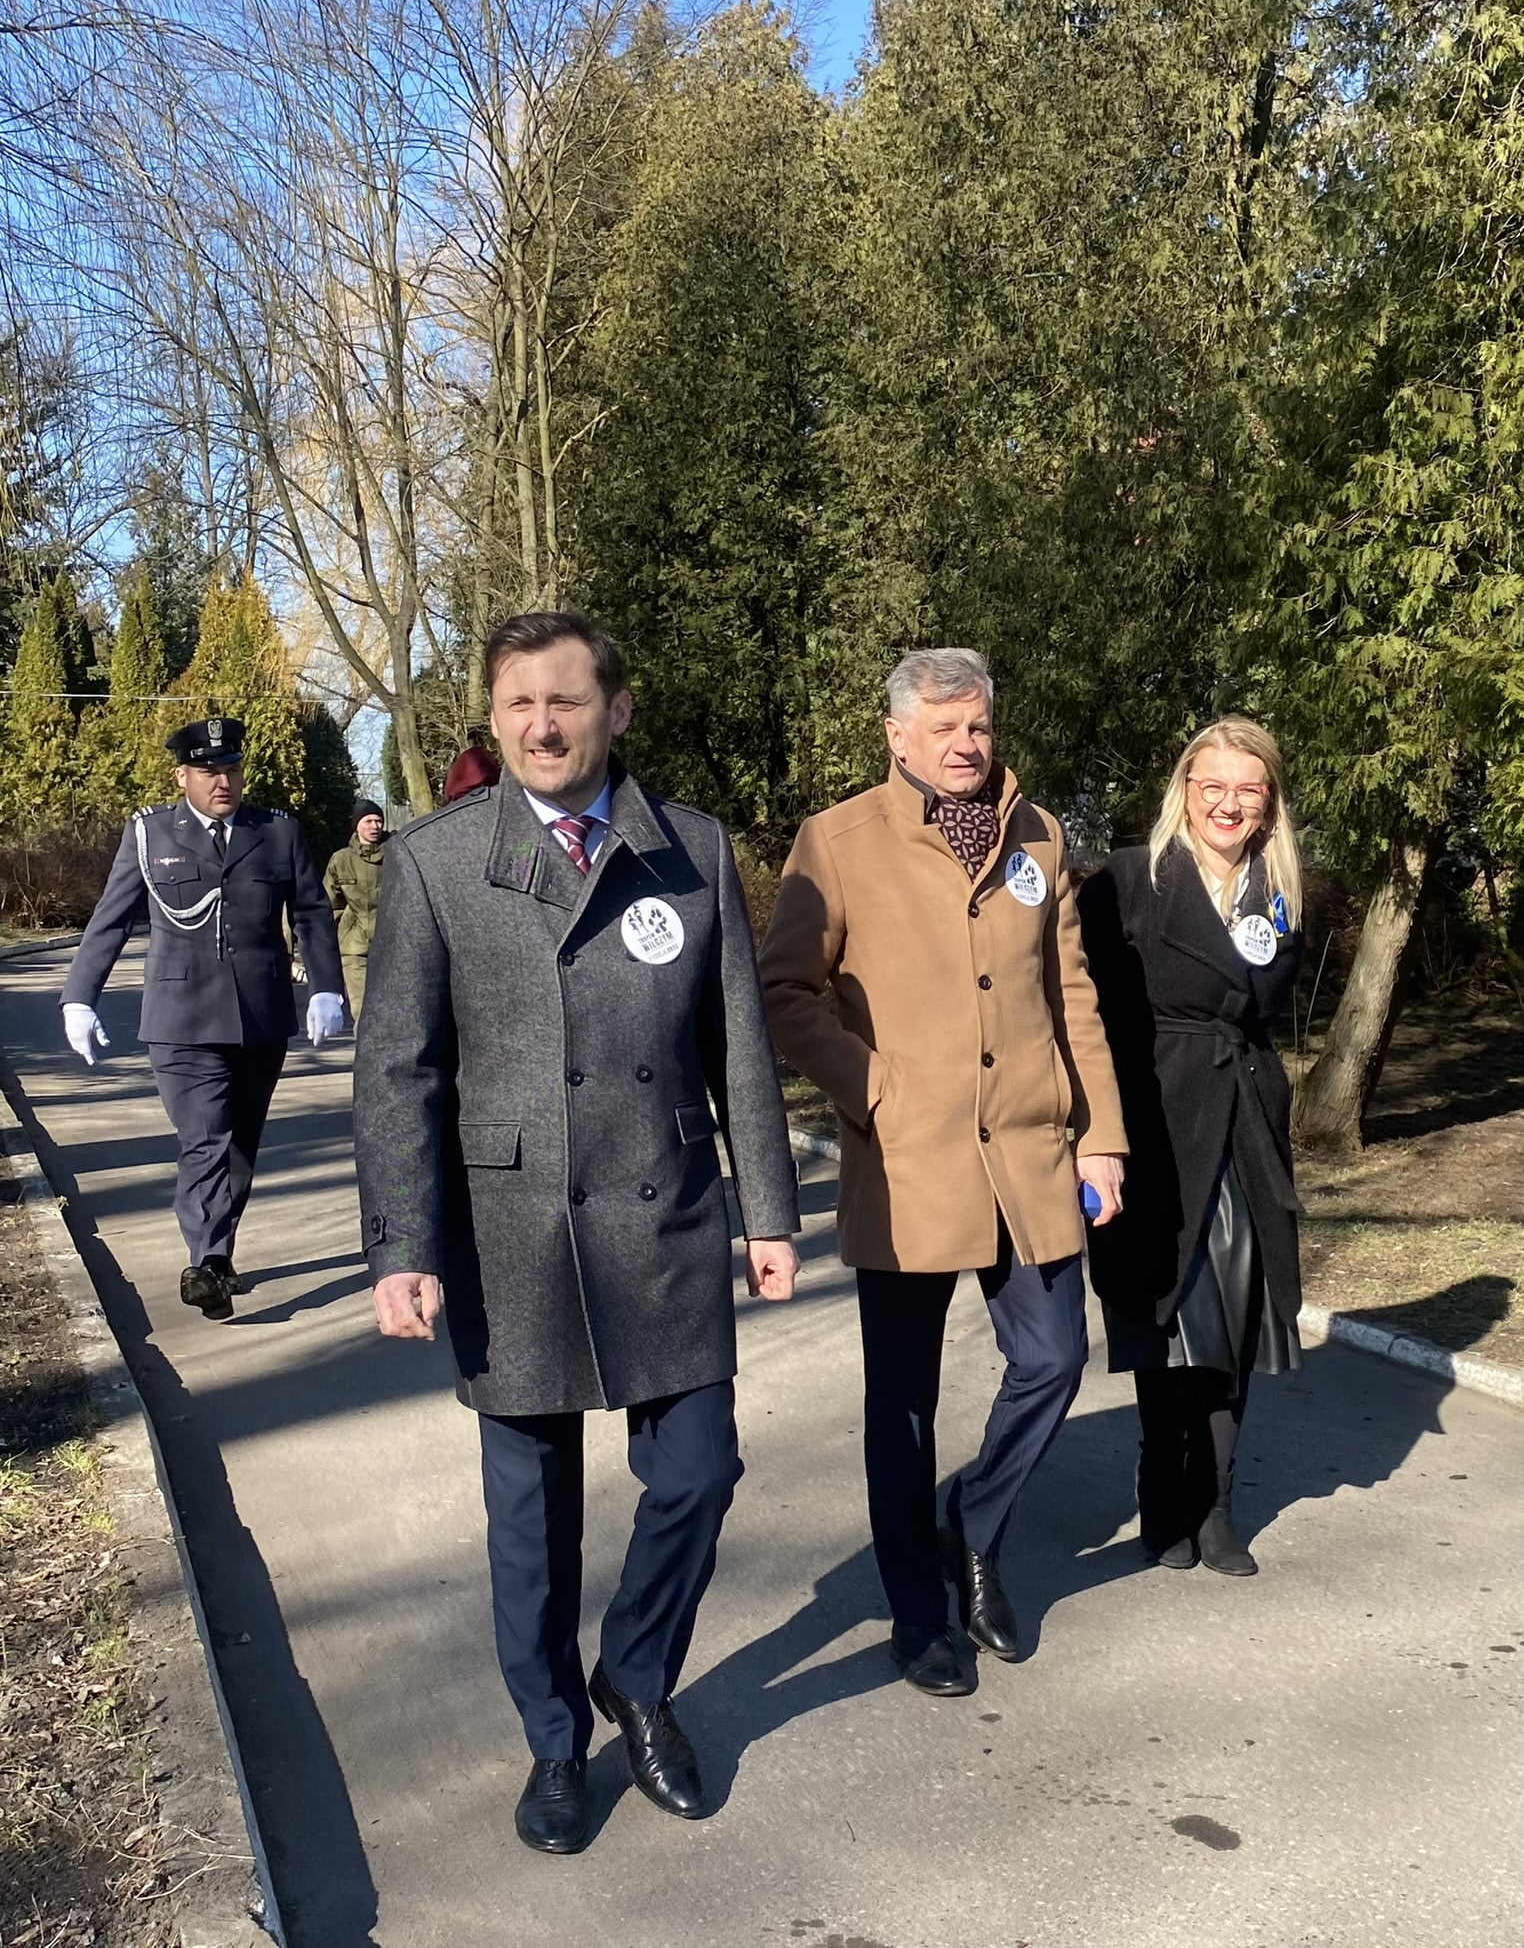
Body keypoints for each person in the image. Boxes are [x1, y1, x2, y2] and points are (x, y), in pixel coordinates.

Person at [353, 610, 799, 1856]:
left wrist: (769, 1211)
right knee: (531, 1520)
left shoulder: (691, 849)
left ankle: (637, 1677)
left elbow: (739, 1047)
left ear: (616, 710)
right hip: (512, 1231)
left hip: (665, 1213)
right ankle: (554, 1742)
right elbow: (398, 1070)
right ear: (494, 719)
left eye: (566, 701)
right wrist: (403, 1245)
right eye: (519, 705)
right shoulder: (437, 861)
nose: (542, 726)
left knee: (699, 1471)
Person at [759, 648, 1127, 1696]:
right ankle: (919, 1615)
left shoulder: (1038, 833)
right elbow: (785, 991)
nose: (968, 745)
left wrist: (1101, 1134)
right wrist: (870, 1087)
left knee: (1054, 1357)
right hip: (908, 1164)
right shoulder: (837, 840)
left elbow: (1070, 992)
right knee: (904, 1405)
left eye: (979, 726)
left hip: (1029, 1150)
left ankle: (971, 1524)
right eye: (946, 728)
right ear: (897, 735)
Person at [1077, 716, 1304, 1577]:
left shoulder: (1278, 893)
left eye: (1248, 788)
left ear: (1269, 802)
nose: (1229, 803)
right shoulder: (1131, 880)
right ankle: (1160, 1479)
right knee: (1166, 1312)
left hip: (1244, 1120)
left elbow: (1264, 1011)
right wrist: (1093, 1128)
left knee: (1237, 1316)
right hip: (1158, 1117)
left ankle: (1215, 1502)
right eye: (1213, 785)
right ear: (1185, 789)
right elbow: (1082, 1008)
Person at [59, 717, 345, 1321]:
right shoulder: (151, 833)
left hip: (260, 1017)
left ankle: (218, 1253)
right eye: (209, 771)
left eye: (232, 770)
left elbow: (312, 913)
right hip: (181, 1021)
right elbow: (112, 918)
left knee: (241, 1142)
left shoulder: (276, 832)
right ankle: (206, 1261)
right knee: (205, 1136)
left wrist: (326, 988)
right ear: (181, 776)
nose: (223, 782)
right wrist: (79, 997)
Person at [322, 798, 388, 1019]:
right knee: (362, 1011)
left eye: (378, 821)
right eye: (368, 821)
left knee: (394, 1012)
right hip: (355, 948)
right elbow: (330, 904)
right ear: (356, 826)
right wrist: (340, 934)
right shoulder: (341, 860)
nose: (375, 826)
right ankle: (364, 1043)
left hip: (393, 944)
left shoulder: (397, 855)